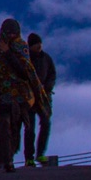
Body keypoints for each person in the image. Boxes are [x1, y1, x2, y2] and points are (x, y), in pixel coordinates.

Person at [0, 18, 40, 172]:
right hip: (0, 95)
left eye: (13, 33)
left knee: (15, 127)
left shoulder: (21, 47)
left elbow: (24, 72)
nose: (11, 36)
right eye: (8, 33)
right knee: (3, 125)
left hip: (19, 96)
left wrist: (8, 53)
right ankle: (4, 160)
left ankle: (9, 158)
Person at [24, 33, 57, 167]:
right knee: (30, 128)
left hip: (43, 96)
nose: (39, 46)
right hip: (29, 97)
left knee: (45, 123)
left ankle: (40, 153)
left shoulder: (46, 58)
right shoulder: (25, 59)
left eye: (40, 43)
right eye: (36, 44)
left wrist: (47, 87)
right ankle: (29, 157)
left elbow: (52, 74)